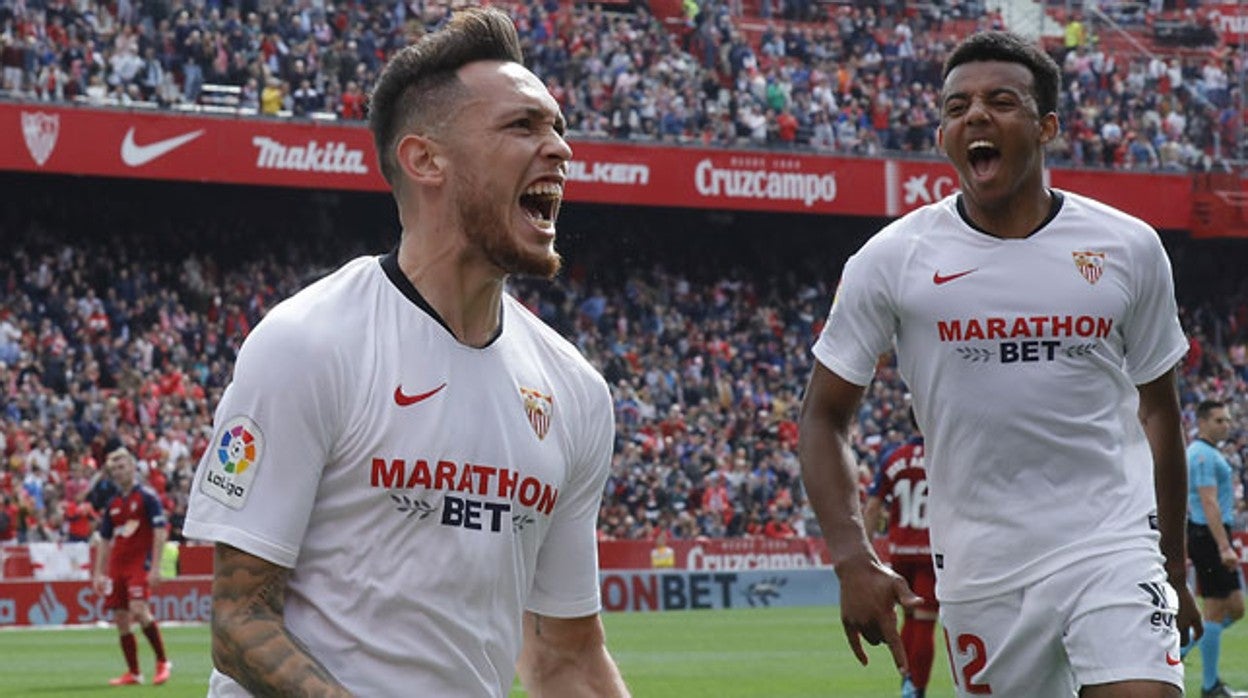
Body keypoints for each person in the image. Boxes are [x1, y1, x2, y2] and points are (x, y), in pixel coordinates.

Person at [182, 8, 629, 697]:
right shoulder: (309, 342)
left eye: (559, 128)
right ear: (425, 160)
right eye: (523, 126)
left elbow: (565, 656)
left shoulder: (575, 391)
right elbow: (240, 620)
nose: (560, 149)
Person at [798, 31, 1202, 697]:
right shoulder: (891, 259)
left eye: (1000, 101)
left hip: (1110, 543)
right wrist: (850, 559)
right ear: (942, 135)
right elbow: (824, 416)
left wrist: (1173, 567)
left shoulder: (1128, 248)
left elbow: (1161, 414)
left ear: (1047, 127)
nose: (975, 117)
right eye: (956, 108)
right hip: (982, 570)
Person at [862, 410, 935, 698]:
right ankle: (917, 688)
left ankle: (907, 682)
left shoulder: (893, 458)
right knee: (925, 622)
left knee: (909, 618)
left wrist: (866, 552)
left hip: (901, 550)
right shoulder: (941, 455)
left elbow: (872, 506)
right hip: (931, 550)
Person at [91, 440, 172, 686]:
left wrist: (156, 566)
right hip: (118, 566)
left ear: (133, 467)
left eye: (122, 465)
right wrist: (98, 573)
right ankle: (134, 673)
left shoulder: (147, 497)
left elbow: (160, 532)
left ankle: (162, 661)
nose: (119, 471)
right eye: (114, 468)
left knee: (139, 610)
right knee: (121, 619)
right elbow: (104, 540)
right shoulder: (113, 504)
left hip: (139, 563)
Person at [1184, 399, 1246, 698]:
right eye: (1219, 420)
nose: (1226, 425)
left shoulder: (1208, 453)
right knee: (1214, 609)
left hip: (1213, 533)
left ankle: (1178, 652)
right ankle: (1209, 686)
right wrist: (1223, 546)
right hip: (1207, 535)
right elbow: (1207, 502)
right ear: (1203, 421)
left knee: (1235, 608)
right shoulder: (1202, 455)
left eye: (1227, 420)